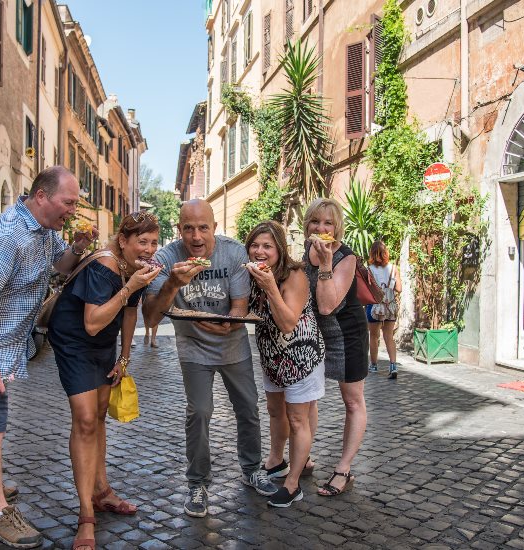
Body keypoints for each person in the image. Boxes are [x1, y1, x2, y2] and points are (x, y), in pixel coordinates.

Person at [0, 166, 96, 549]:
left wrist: (78, 248)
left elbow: (59, 267)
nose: (72, 209)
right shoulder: (8, 236)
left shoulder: (45, 232)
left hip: (2, 342)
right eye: (68, 202)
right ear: (42, 196)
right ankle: (0, 516)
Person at [142, 199, 277, 518]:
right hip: (193, 349)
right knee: (200, 412)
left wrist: (215, 322)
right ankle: (197, 483)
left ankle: (252, 469)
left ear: (214, 228)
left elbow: (239, 307)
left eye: (203, 227)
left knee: (248, 408)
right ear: (179, 230)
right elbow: (150, 319)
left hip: (232, 346)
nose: (196, 235)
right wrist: (174, 283)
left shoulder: (232, 253)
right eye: (188, 228)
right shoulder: (166, 258)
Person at [48, 212, 161, 550]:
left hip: (102, 345)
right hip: (74, 340)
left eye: (154, 243)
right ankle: (85, 515)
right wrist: (132, 286)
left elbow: (129, 311)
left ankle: (102, 491)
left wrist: (124, 357)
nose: (149, 249)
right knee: (84, 420)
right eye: (142, 242)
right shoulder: (105, 265)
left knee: (98, 416)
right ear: (123, 241)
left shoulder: (135, 269)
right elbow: (94, 322)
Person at [244, 221, 325, 508]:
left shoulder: (294, 275)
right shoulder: (252, 272)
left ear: (279, 248)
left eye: (267, 246)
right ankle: (276, 461)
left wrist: (269, 287)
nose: (260, 251)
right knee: (275, 412)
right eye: (255, 245)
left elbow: (289, 323)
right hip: (272, 356)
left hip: (301, 356)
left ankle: (293, 485)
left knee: (297, 419)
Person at [302, 197, 369, 498]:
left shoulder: (345, 256)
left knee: (352, 400)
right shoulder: (305, 252)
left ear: (337, 227)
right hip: (315, 334)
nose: (321, 227)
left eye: (328, 222)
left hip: (346, 333)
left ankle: (343, 468)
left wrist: (327, 263)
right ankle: (303, 456)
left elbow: (328, 305)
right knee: (309, 398)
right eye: (316, 221)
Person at [366, 240, 403, 379]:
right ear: (385, 253)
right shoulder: (394, 268)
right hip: (390, 306)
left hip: (374, 306)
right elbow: (399, 289)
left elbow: (367, 289)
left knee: (374, 337)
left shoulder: (369, 269)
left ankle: (374, 365)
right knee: (389, 337)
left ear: (372, 253)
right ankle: (393, 365)